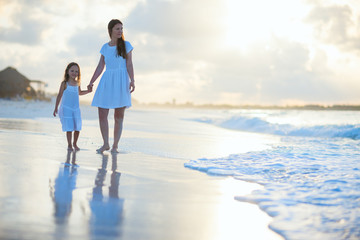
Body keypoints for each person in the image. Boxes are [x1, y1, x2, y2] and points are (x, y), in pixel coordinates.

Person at [87, 19, 135, 154]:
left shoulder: (126, 45)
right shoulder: (105, 47)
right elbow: (100, 66)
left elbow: (129, 64)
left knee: (118, 116)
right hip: (107, 81)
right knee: (102, 113)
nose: (120, 31)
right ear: (111, 31)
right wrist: (92, 81)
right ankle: (105, 144)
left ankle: (115, 146)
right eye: (117, 29)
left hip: (121, 81)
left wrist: (133, 80)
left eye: (121, 28)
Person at [53, 62, 92, 151]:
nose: (74, 73)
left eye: (76, 71)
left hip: (76, 109)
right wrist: (56, 108)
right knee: (69, 128)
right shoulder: (64, 83)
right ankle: (69, 145)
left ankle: (75, 143)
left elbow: (79, 93)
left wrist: (88, 91)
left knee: (77, 127)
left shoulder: (77, 83)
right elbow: (59, 95)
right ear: (67, 71)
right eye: (72, 71)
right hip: (66, 108)